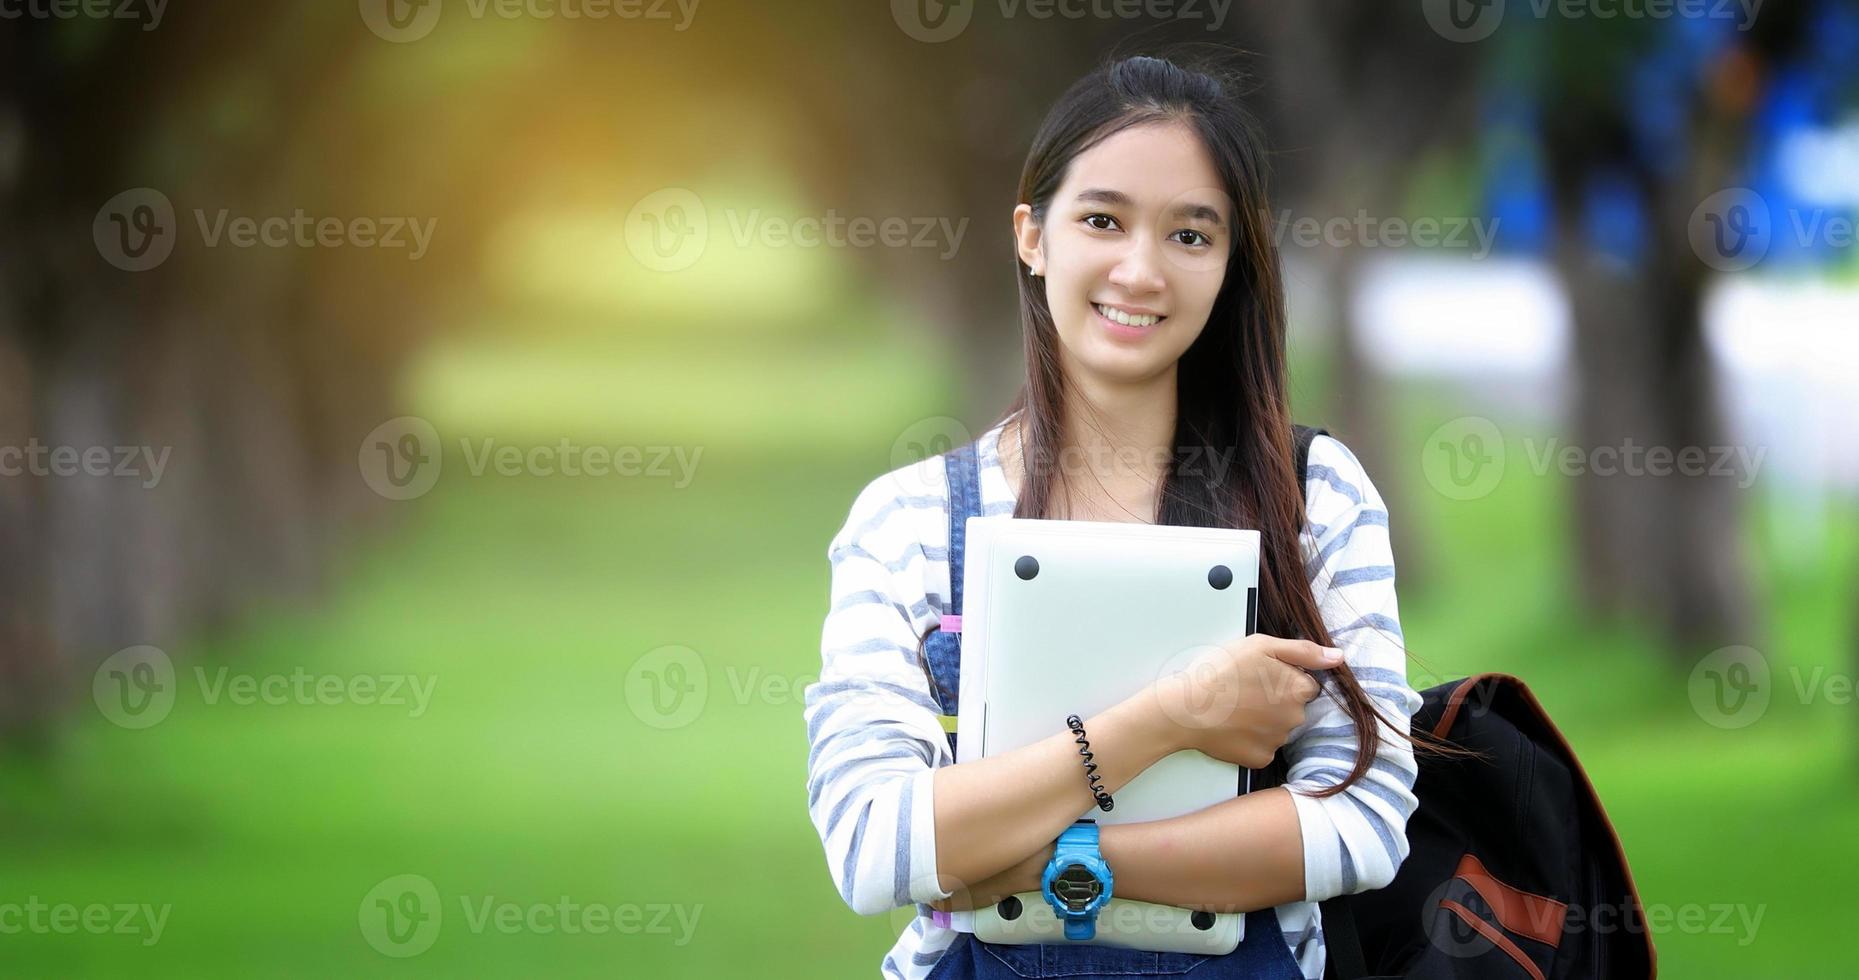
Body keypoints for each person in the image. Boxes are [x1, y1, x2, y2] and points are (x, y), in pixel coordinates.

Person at [802, 53, 1423, 980]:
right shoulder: (909, 522)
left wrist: (1039, 866)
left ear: (1230, 265)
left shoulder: (1313, 493)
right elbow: (874, 849)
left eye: (1190, 235)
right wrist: (1173, 717)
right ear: (1032, 235)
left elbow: (1363, 824)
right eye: (1101, 220)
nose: (1139, 270)